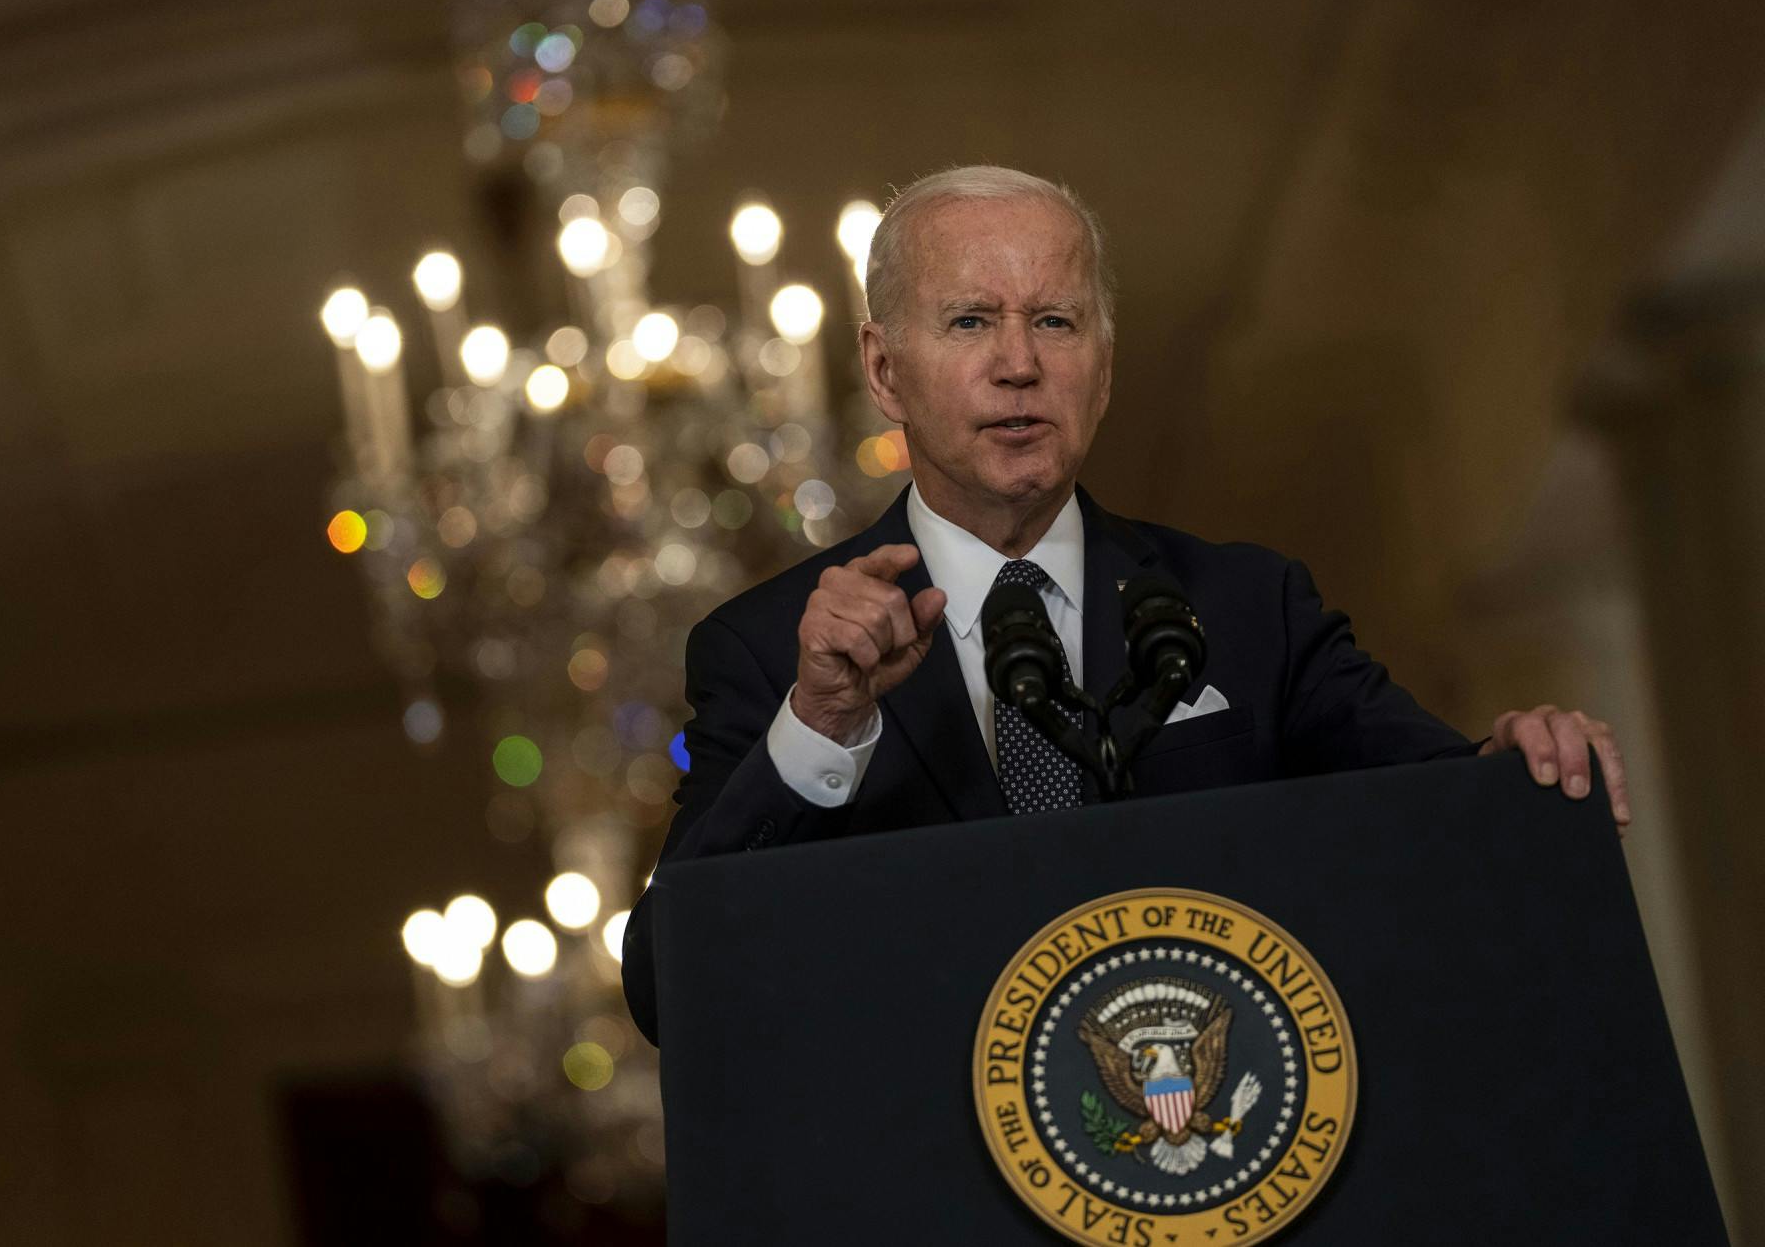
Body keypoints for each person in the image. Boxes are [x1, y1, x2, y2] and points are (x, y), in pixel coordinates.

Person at [621, 165, 1629, 1044]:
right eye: (970, 319)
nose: (1019, 362)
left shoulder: (1247, 606)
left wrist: (1521, 775)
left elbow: (1439, 818)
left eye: (1054, 321)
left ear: (1101, 367)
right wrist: (819, 728)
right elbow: (671, 991)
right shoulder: (768, 652)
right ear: (883, 369)